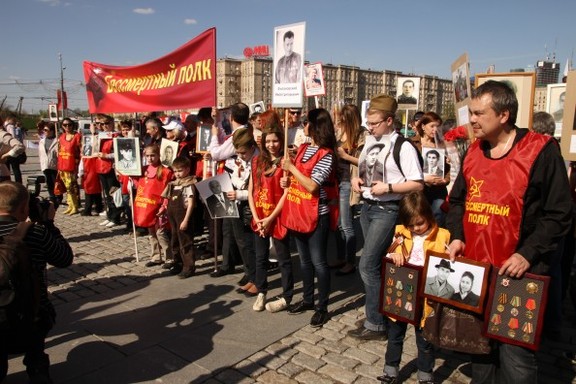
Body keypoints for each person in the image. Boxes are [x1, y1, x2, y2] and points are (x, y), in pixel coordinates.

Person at [446, 80, 572, 383]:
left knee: (516, 361)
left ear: (504, 115)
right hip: (477, 270)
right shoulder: (474, 152)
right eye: (471, 113)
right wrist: (456, 235)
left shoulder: (541, 151)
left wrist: (527, 254)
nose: (472, 120)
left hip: (519, 273)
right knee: (480, 353)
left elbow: (560, 213)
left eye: (479, 113)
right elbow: (458, 201)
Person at [349, 94, 424, 341]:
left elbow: (418, 184)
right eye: (368, 123)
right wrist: (355, 180)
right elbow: (361, 170)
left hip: (388, 209)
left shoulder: (403, 146)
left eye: (374, 123)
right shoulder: (371, 141)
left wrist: (389, 188)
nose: (369, 128)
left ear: (390, 120)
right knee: (376, 265)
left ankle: (376, 323)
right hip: (368, 207)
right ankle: (378, 314)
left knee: (367, 265)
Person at [0, 181, 74, 383]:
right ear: (24, 209)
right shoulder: (35, 233)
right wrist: (48, 224)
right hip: (31, 315)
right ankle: (38, 372)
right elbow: (64, 258)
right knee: (36, 356)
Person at [378, 190, 449, 384]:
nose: (416, 228)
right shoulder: (401, 232)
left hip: (425, 297)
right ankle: (390, 371)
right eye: (411, 225)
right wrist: (394, 254)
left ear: (428, 215)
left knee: (424, 340)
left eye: (420, 223)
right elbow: (390, 252)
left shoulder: (442, 236)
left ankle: (425, 374)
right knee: (395, 335)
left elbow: (449, 263)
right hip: (402, 293)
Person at [280, 108, 339, 328]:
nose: (304, 125)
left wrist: (292, 170)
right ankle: (307, 299)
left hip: (316, 214)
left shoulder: (327, 154)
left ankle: (321, 307)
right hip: (298, 211)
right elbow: (295, 179)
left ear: (315, 126)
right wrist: (287, 180)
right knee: (304, 262)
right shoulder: (304, 148)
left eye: (306, 122)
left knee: (319, 263)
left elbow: (313, 185)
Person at [249, 125, 294, 312]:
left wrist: (270, 218)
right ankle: (262, 290)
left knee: (283, 258)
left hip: (277, 216)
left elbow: (286, 194)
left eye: (275, 141)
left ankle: (287, 295)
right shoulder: (257, 161)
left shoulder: (286, 163)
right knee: (260, 257)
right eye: (268, 141)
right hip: (259, 216)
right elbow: (251, 190)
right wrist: (256, 216)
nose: (271, 145)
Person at [333, 104, 365, 276]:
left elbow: (365, 162)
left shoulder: (362, 135)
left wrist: (345, 156)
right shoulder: (341, 133)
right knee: (338, 224)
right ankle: (341, 257)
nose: (340, 123)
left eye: (342, 120)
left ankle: (350, 261)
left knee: (346, 225)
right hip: (338, 181)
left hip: (348, 182)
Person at [133, 144, 174, 268]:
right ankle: (156, 256)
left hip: (159, 207)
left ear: (158, 155)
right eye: (147, 156)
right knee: (151, 233)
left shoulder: (165, 171)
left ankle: (169, 258)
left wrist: (164, 205)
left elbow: (168, 190)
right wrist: (133, 177)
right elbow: (140, 186)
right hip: (147, 207)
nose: (150, 158)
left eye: (152, 155)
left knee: (161, 233)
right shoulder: (144, 169)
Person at [159, 157, 197, 279]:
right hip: (173, 217)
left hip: (183, 216)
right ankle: (178, 263)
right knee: (174, 240)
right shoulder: (174, 185)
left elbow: (190, 204)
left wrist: (186, 220)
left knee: (185, 241)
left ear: (187, 169)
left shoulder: (189, 185)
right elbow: (168, 200)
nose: (177, 174)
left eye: (180, 171)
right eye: (175, 171)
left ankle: (189, 266)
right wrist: (163, 209)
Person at [416, 112, 450, 226]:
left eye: (438, 126)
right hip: (419, 189)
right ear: (423, 126)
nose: (435, 129)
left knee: (438, 215)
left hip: (438, 189)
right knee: (420, 218)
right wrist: (424, 178)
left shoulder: (443, 145)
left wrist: (446, 179)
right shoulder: (413, 143)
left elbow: (449, 168)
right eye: (432, 126)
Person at [95, 114, 121, 227]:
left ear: (112, 123)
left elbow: (119, 153)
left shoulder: (116, 136)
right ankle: (110, 215)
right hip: (101, 167)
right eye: (102, 124)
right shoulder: (100, 136)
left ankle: (116, 217)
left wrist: (106, 155)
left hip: (111, 168)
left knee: (113, 193)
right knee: (106, 194)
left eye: (107, 123)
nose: (104, 126)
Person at [57, 118, 81, 215]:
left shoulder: (77, 136)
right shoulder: (61, 137)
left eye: (69, 124)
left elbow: (80, 151)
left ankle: (75, 206)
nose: (67, 127)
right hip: (62, 165)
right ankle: (70, 205)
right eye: (65, 125)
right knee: (66, 187)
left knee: (71, 186)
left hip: (72, 166)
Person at [79, 122, 103, 217]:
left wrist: (93, 133)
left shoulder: (97, 138)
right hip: (87, 169)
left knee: (92, 190)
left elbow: (95, 144)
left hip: (93, 168)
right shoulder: (85, 150)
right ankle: (96, 207)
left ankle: (90, 208)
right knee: (91, 190)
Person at [38, 122, 59, 206]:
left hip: (54, 165)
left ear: (52, 131)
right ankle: (52, 196)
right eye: (44, 130)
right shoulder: (42, 141)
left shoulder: (57, 140)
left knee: (56, 182)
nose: (45, 131)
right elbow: (40, 153)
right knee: (49, 182)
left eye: (46, 130)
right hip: (45, 165)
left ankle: (58, 196)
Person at [3, 117, 25, 184]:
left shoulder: (7, 126)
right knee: (15, 169)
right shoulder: (10, 126)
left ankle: (8, 184)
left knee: (8, 169)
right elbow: (14, 137)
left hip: (7, 150)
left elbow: (13, 137)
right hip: (12, 150)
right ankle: (18, 183)